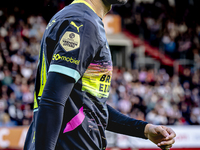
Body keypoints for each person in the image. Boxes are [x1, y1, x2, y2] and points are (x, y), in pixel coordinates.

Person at [24, 0, 176, 149]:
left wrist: (144, 129)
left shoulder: (74, 17)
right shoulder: (83, 22)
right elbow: (52, 100)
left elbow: (89, 107)